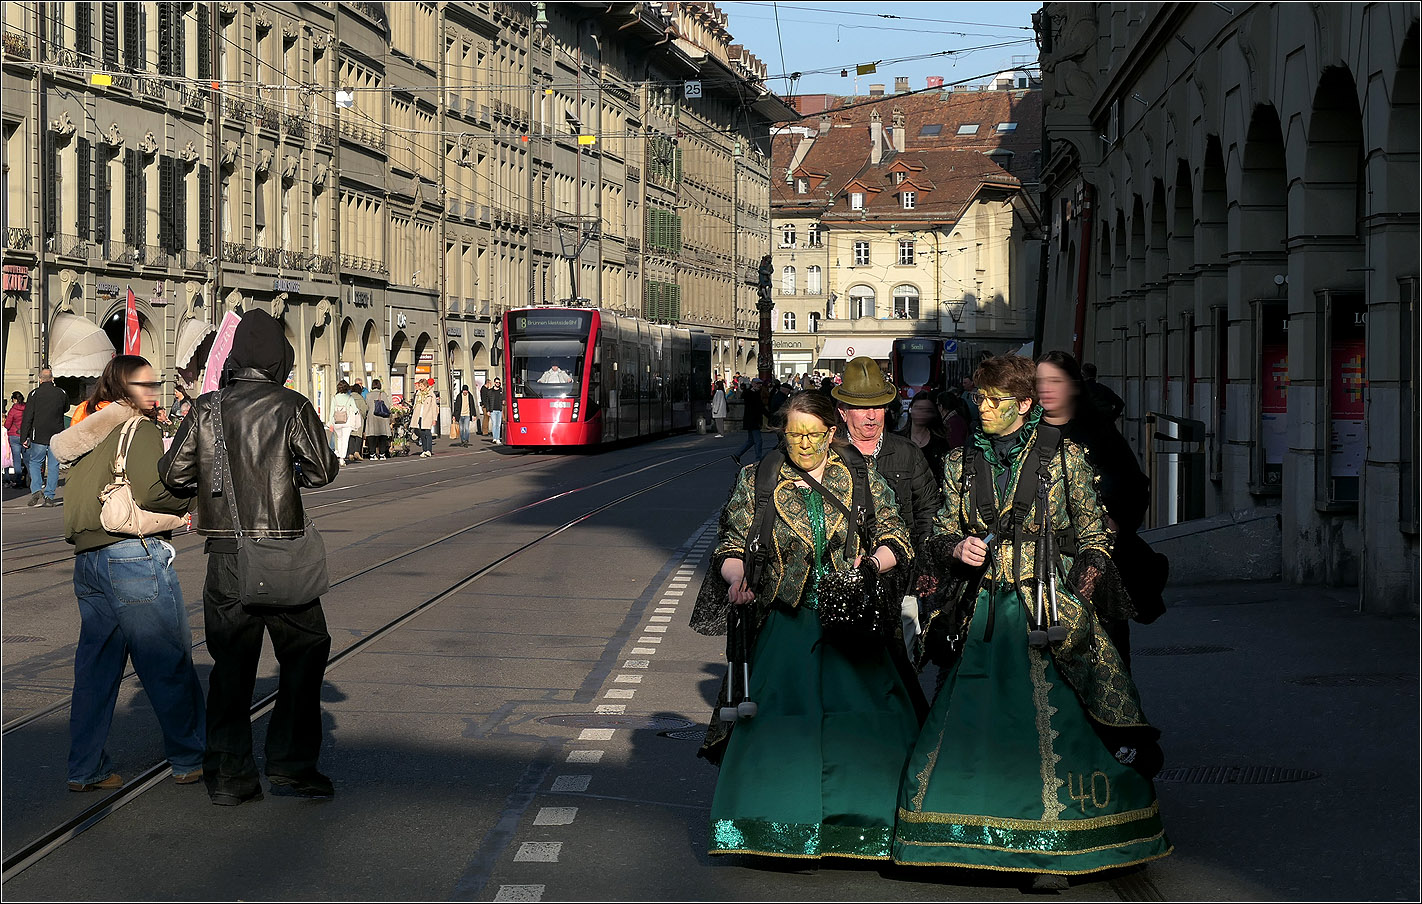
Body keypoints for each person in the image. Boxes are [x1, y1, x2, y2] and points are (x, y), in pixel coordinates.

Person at [894, 355, 1169, 885]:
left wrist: (1075, 600)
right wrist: (958, 547)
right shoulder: (959, 462)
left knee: (1057, 732)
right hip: (982, 614)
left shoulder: (1065, 457)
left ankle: (1057, 848)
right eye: (979, 397)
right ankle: (961, 840)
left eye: (994, 400)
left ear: (1023, 405)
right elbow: (940, 532)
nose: (982, 407)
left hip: (1049, 612)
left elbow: (1094, 538)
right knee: (973, 724)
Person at [690, 391, 920, 861]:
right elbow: (730, 545)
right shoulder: (757, 479)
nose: (804, 444)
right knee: (779, 727)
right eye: (795, 435)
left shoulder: (861, 477)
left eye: (814, 435)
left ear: (831, 433)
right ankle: (773, 829)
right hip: (786, 624)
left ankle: (865, 829)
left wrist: (871, 565)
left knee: (863, 726)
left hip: (850, 625)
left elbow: (897, 536)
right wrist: (738, 579)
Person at [159, 309, 341, 806]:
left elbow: (173, 475)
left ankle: (229, 776)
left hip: (226, 554)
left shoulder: (207, 408)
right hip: (282, 553)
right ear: (280, 359)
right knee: (305, 651)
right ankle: (292, 765)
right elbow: (322, 470)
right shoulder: (292, 405)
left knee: (231, 667)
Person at [49, 355, 205, 792]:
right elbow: (153, 493)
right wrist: (191, 496)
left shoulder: (86, 434)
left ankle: (85, 768)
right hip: (132, 555)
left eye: (155, 383)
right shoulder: (141, 428)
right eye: (143, 384)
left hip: (88, 560)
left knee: (95, 669)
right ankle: (191, 757)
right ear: (123, 389)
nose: (153, 391)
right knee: (165, 659)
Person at [1036, 351, 1158, 667]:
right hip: (1038, 560)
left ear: (1074, 385)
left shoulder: (1098, 432)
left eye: (1055, 381)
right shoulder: (1026, 433)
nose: (1046, 389)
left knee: (1104, 653)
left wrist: (1116, 521)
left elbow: (1134, 486)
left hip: (1095, 558)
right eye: (1040, 381)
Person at [833, 357, 943, 651]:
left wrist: (922, 565)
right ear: (843, 412)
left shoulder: (907, 452)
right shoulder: (828, 454)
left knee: (901, 664)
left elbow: (929, 510)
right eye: (861, 408)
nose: (871, 416)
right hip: (843, 580)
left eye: (878, 407)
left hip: (900, 581)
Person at [20, 365, 69, 506]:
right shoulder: (61, 392)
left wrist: (24, 437)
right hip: (56, 435)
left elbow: (28, 416)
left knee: (35, 462)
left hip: (39, 435)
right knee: (53, 465)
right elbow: (66, 408)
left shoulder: (34, 394)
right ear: (52, 379)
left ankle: (36, 489)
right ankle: (49, 496)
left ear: (40, 379)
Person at [898, 391, 952, 486]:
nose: (921, 413)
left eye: (927, 410)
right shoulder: (898, 440)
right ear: (911, 409)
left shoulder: (940, 443)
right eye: (918, 408)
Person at [729, 378, 765, 465]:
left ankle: (737, 454)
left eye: (760, 384)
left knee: (751, 440)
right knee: (758, 440)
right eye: (757, 384)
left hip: (752, 420)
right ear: (753, 384)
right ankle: (758, 459)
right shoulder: (750, 393)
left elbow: (761, 407)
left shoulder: (757, 393)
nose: (759, 385)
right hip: (752, 420)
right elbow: (745, 396)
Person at [328, 381, 362, 464]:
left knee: (339, 439)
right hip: (346, 422)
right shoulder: (349, 398)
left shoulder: (334, 398)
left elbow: (331, 411)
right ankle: (342, 458)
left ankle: (338, 454)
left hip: (336, 422)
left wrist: (330, 422)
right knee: (345, 440)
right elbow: (355, 409)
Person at [364, 379, 393, 459]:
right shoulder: (383, 394)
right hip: (382, 417)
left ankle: (372, 454)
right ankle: (382, 454)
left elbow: (366, 407)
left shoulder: (368, 395)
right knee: (382, 436)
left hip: (372, 417)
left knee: (372, 436)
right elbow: (387, 406)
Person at [6, 390, 27, 488]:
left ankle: (18, 482)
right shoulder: (27, 408)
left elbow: (7, 424)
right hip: (25, 435)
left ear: (14, 400)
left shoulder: (13, 410)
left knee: (17, 459)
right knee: (27, 459)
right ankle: (31, 481)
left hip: (14, 436)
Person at [412, 379, 438, 457]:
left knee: (427, 433)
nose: (420, 387)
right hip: (419, 416)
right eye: (420, 385)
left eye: (421, 386)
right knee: (422, 434)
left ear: (426, 385)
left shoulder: (431, 394)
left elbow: (434, 407)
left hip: (428, 416)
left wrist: (434, 418)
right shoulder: (418, 394)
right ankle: (424, 450)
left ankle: (429, 450)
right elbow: (415, 405)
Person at [348, 381, 369, 461]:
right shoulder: (360, 398)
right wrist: (363, 416)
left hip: (350, 418)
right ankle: (357, 451)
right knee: (358, 435)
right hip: (359, 418)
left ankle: (350, 453)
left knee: (351, 436)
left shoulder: (349, 397)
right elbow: (365, 409)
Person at [487, 378, 505, 444]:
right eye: (497, 382)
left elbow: (504, 398)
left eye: (499, 383)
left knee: (498, 425)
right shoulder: (490, 391)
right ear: (494, 383)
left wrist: (503, 401)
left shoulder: (501, 391)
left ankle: (497, 438)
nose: (498, 384)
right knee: (494, 424)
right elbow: (488, 401)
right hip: (493, 410)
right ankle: (495, 438)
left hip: (499, 410)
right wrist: (488, 410)